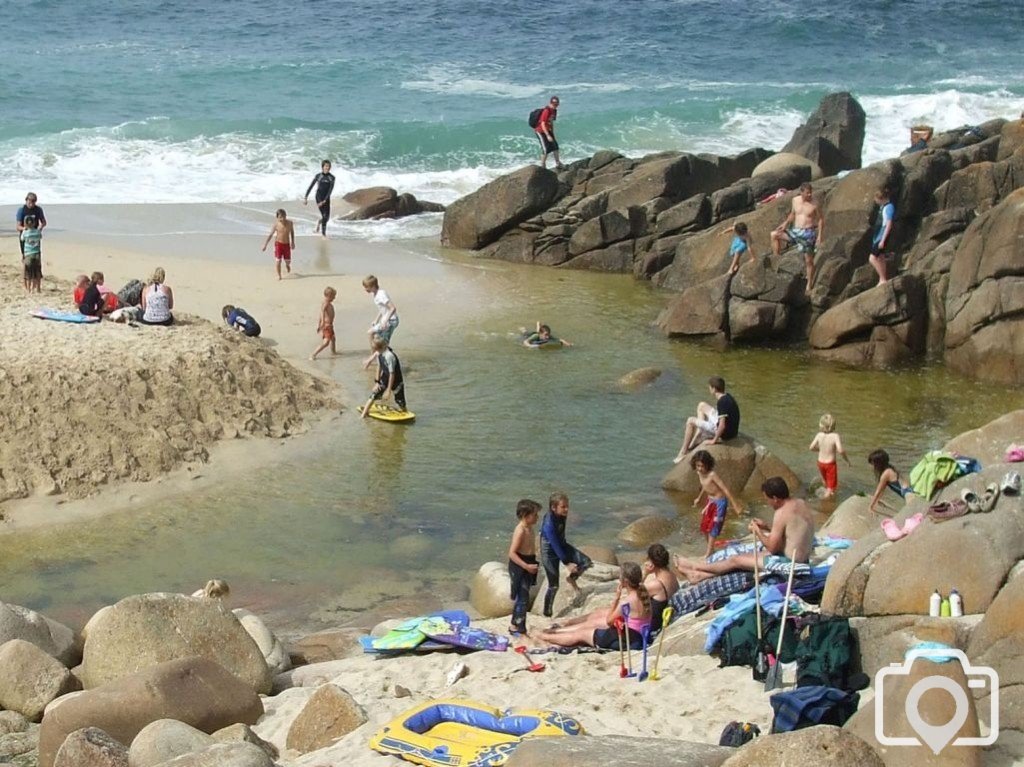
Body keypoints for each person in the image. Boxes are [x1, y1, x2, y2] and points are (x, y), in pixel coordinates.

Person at [674, 477, 815, 584]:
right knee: (748, 557)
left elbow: (772, 548)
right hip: (801, 558)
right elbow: (792, 533)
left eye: (768, 500)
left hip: (790, 563)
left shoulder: (781, 513)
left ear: (775, 498)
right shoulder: (800, 503)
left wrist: (757, 531)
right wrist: (766, 527)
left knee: (735, 560)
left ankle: (695, 566)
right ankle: (700, 575)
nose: (768, 503)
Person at [539, 562, 651, 650]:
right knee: (591, 625)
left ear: (625, 581)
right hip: (637, 636)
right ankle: (557, 631)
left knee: (581, 634)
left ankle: (544, 637)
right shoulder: (643, 593)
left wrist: (616, 599)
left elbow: (609, 621)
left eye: (620, 576)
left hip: (627, 640)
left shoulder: (626, 602)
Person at [539, 492, 593, 617]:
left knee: (585, 562)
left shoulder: (561, 515)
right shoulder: (549, 523)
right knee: (553, 586)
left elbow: (560, 541)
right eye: (563, 507)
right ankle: (547, 614)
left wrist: (568, 555)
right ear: (553, 507)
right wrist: (566, 562)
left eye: (567, 506)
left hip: (561, 545)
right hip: (549, 553)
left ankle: (571, 579)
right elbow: (553, 543)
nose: (567, 509)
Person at [770, 183, 825, 294]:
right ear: (801, 192)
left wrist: (819, 236)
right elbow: (793, 214)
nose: (809, 194)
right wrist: (785, 223)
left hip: (808, 233)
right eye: (807, 193)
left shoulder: (815, 204)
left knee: (808, 261)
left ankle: (809, 284)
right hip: (795, 231)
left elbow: (820, 220)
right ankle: (777, 260)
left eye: (811, 192)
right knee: (774, 235)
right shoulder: (795, 200)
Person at [673, 376, 740, 463]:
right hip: (731, 429)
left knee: (690, 421)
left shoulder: (722, 403)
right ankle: (699, 432)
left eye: (710, 387)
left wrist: (714, 440)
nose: (709, 389)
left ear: (714, 389)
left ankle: (683, 452)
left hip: (724, 432)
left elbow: (722, 425)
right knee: (701, 405)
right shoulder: (728, 397)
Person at [690, 450, 743, 558]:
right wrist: (699, 498)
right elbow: (705, 486)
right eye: (698, 466)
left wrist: (735, 504)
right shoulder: (699, 473)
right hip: (710, 502)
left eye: (702, 466)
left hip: (719, 503)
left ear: (708, 465)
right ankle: (711, 549)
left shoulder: (712, 475)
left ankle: (709, 553)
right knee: (704, 527)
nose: (700, 468)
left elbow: (725, 489)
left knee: (714, 528)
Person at [507, 499, 541, 636]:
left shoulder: (529, 528)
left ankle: (514, 624)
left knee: (524, 596)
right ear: (525, 516)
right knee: (522, 598)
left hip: (528, 562)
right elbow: (512, 553)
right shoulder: (520, 530)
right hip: (520, 565)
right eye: (535, 515)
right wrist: (526, 566)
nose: (537, 517)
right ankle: (520, 629)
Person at [361, 336, 407, 416]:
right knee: (374, 394)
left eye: (375, 349)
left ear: (379, 348)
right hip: (385, 378)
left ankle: (405, 411)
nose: (375, 351)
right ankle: (363, 415)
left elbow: (392, 374)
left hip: (396, 380)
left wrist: (388, 390)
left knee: (400, 402)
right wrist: (377, 382)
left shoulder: (389, 356)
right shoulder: (379, 353)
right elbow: (379, 367)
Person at [361, 275, 399, 368]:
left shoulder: (381, 294)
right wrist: (376, 319)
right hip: (385, 320)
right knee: (370, 333)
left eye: (367, 287)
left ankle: (372, 360)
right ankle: (374, 357)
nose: (365, 289)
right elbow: (382, 308)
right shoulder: (376, 294)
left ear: (373, 286)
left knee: (383, 343)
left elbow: (393, 308)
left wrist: (385, 320)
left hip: (391, 321)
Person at [809, 413, 850, 498]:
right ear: (833, 426)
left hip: (820, 463)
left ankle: (825, 491)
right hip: (830, 465)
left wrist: (820, 449)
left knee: (825, 480)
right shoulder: (835, 436)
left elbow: (811, 447)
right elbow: (840, 450)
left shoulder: (819, 435)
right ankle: (825, 501)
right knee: (831, 488)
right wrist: (847, 460)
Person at [643, 543, 679, 633]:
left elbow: (633, 593)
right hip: (664, 616)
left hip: (653, 625)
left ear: (652, 562)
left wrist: (646, 572)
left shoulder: (656, 585)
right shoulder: (671, 575)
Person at [868, 449, 914, 513]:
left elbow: (878, 491)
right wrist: (877, 500)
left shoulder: (886, 474)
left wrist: (870, 507)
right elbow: (882, 489)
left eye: (872, 464)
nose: (872, 466)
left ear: (878, 464)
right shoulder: (890, 468)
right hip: (910, 492)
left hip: (909, 495)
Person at [869, 186, 895, 285]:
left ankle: (883, 278)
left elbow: (889, 224)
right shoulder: (883, 207)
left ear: (881, 198)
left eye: (877, 200)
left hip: (883, 235)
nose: (876, 202)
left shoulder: (889, 207)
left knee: (872, 258)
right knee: (881, 257)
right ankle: (882, 278)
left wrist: (883, 240)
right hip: (879, 235)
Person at [261, 209, 296, 281]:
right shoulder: (276, 224)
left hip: (287, 245)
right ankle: (279, 275)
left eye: (284, 216)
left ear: (286, 215)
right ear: (277, 218)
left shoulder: (290, 223)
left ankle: (287, 265)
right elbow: (270, 235)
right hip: (278, 245)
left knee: (288, 261)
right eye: (280, 217)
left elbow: (292, 233)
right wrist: (265, 245)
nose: (282, 219)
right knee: (278, 261)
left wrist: (293, 242)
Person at [304, 160, 336, 237]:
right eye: (325, 166)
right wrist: (306, 197)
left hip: (326, 198)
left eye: (328, 166)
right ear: (322, 167)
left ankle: (319, 222)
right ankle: (323, 235)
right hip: (319, 197)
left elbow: (330, 190)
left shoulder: (332, 178)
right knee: (325, 216)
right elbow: (311, 186)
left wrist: (325, 200)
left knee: (327, 218)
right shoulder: (318, 176)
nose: (327, 168)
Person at [534, 96, 564, 171]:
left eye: (557, 104)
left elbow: (551, 122)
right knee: (546, 149)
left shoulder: (554, 111)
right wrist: (547, 135)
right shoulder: (547, 111)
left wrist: (552, 133)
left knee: (555, 146)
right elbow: (543, 124)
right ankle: (543, 166)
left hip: (548, 130)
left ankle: (558, 163)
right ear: (550, 103)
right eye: (554, 103)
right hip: (540, 131)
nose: (555, 105)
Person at [15, 193, 46, 257]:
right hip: (25, 236)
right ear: (26, 200)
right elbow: (18, 227)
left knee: (36, 255)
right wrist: (24, 229)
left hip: (35, 236)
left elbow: (44, 222)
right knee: (25, 256)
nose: (31, 204)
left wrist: (40, 227)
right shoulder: (21, 210)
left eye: (33, 202)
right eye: (29, 202)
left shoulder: (38, 210)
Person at [311, 286, 337, 360]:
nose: (334, 298)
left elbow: (321, 314)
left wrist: (319, 324)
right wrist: (322, 322)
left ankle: (333, 352)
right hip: (327, 326)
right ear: (328, 296)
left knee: (333, 339)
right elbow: (322, 312)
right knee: (326, 342)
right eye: (333, 296)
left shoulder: (327, 303)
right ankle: (313, 354)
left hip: (330, 326)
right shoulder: (326, 303)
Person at [20, 215, 42, 293]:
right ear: (34, 223)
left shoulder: (25, 233)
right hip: (36, 253)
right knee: (37, 271)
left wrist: (24, 230)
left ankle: (29, 289)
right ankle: (38, 288)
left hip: (28, 254)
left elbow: (22, 239)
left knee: (29, 272)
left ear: (25, 224)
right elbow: (40, 237)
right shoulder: (37, 232)